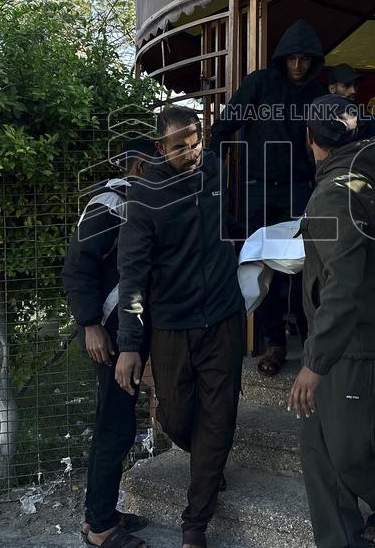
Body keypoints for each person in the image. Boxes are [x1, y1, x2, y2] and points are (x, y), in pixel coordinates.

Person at [116, 106, 245, 548]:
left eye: (196, 142)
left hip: (224, 317)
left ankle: (195, 526)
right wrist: (131, 345)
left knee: (220, 413)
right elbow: (132, 277)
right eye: (180, 147)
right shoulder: (145, 199)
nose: (192, 153)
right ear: (159, 148)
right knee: (175, 417)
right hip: (171, 326)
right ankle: (209, 456)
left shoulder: (211, 167)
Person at [289, 95, 375, 548]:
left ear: (310, 139)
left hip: (357, 345)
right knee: (317, 449)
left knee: (348, 450)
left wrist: (315, 362)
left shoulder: (335, 192)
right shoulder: (367, 177)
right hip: (340, 337)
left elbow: (343, 286)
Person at [210, 19, 326, 377]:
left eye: (305, 59)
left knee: (306, 268)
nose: (297, 66)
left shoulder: (317, 93)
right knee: (260, 266)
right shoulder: (259, 83)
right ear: (281, 58)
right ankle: (274, 343)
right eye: (291, 59)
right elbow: (222, 127)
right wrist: (215, 182)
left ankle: (311, 345)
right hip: (257, 189)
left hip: (300, 189)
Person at [63, 138, 157, 548]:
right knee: (113, 427)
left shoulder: (142, 202)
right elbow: (77, 266)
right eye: (155, 165)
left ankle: (100, 513)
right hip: (110, 334)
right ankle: (99, 526)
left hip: (126, 332)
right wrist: (89, 325)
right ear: (137, 167)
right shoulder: (110, 204)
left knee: (116, 423)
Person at [326, 63, 375, 139]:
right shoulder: (319, 117)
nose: (353, 91)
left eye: (356, 85)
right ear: (332, 89)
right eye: (346, 85)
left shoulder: (369, 120)